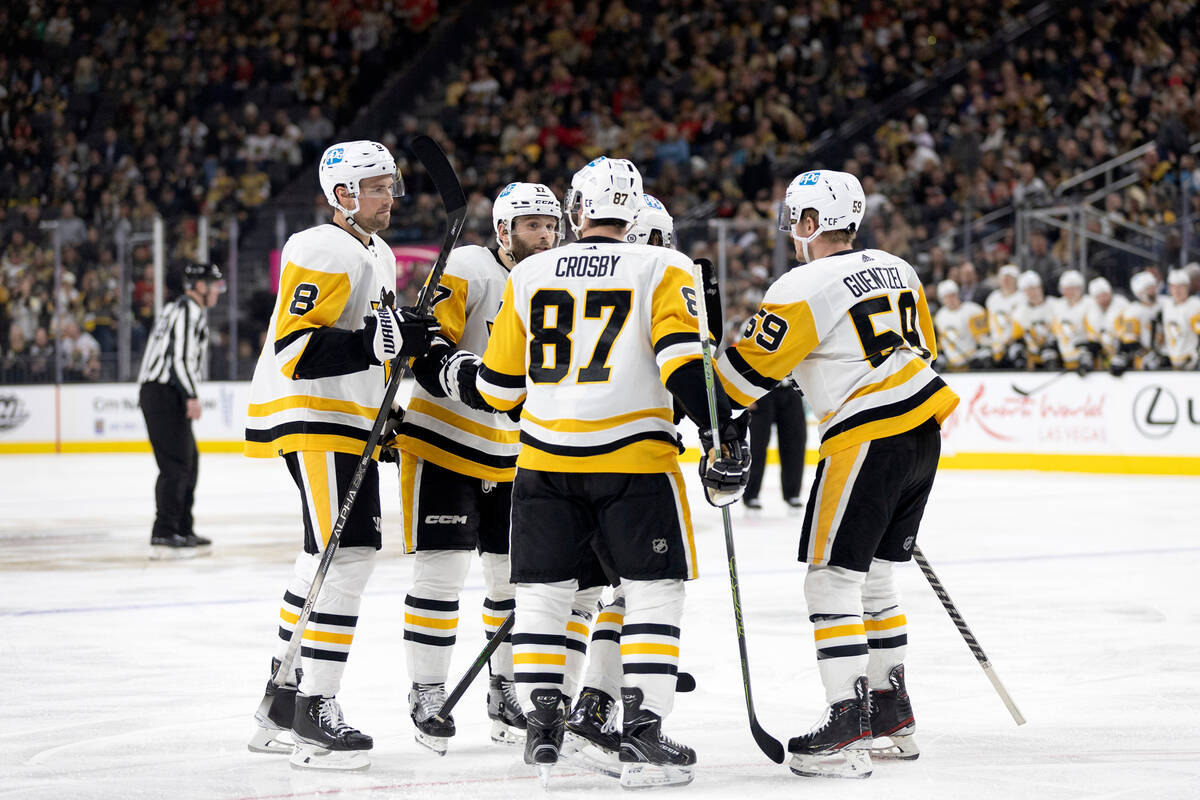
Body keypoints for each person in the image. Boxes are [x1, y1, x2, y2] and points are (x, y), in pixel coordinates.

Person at [474, 156, 748, 789]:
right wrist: (719, 431)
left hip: (543, 461)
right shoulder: (664, 265)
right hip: (635, 460)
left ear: (575, 211)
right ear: (636, 211)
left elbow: (497, 388)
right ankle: (644, 734)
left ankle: (545, 727)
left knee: (545, 595)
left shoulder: (532, 270)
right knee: (653, 593)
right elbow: (684, 366)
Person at [715, 169, 959, 779]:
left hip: (866, 437)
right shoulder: (899, 267)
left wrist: (699, 398)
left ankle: (847, 724)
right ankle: (891, 714)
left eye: (795, 219)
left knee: (830, 584)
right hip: (921, 431)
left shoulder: (801, 283)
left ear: (808, 223)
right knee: (875, 582)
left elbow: (746, 378)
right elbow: (921, 349)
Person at [243, 140, 437, 771]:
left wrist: (391, 367)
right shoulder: (321, 246)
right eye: (376, 185)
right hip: (316, 416)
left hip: (344, 417)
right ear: (342, 194)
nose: (390, 195)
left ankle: (280, 700)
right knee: (348, 554)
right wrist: (379, 343)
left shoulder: (373, 251)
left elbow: (365, 344)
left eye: (390, 184)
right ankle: (313, 712)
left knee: (320, 556)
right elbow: (297, 350)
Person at [394, 182, 562, 753]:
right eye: (532, 225)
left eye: (550, 225)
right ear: (504, 230)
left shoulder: (559, 281)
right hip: (443, 443)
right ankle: (428, 691)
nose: (544, 235)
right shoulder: (467, 264)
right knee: (440, 576)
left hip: (515, 454)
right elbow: (424, 342)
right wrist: (468, 377)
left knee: (511, 579)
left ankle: (504, 689)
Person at [137, 261, 224, 558]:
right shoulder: (190, 310)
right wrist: (190, 395)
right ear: (198, 286)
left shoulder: (176, 308)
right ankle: (165, 530)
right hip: (164, 393)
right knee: (176, 465)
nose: (217, 291)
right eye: (213, 284)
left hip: (160, 392)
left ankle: (182, 527)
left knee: (188, 462)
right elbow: (179, 360)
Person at [742, 379, 808, 512]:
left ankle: (792, 493)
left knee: (795, 444)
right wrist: (745, 395)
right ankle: (751, 495)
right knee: (757, 446)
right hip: (761, 391)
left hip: (790, 389)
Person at [1112, 271, 1163, 374]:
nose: (1153, 291)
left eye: (1153, 287)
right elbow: (1130, 341)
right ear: (1140, 292)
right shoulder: (1133, 311)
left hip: (1163, 356)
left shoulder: (1163, 305)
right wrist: (1146, 355)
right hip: (1143, 363)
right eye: (1149, 288)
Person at [932, 278, 990, 371]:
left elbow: (983, 337)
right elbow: (941, 341)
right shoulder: (939, 316)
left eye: (953, 295)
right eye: (946, 297)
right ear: (941, 299)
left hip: (973, 362)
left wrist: (982, 353)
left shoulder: (973, 309)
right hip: (951, 365)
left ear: (958, 294)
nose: (950, 299)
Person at [1051, 270, 1098, 372]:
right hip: (1066, 359)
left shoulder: (1090, 303)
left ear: (1081, 288)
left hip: (1087, 358)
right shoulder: (1058, 306)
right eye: (1067, 289)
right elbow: (1057, 331)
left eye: (1074, 288)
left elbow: (1094, 332)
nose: (1071, 292)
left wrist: (1089, 349)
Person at [1011, 270, 1059, 370]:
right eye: (1028, 290)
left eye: (1034, 288)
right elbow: (1017, 337)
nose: (1032, 293)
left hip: (1055, 355)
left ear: (1040, 287)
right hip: (1032, 357)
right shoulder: (1019, 313)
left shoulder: (1055, 305)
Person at [986, 264, 1026, 367]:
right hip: (995, 344)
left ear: (1016, 280)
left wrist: (1008, 342)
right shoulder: (992, 298)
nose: (1006, 280)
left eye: (1010, 278)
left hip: (1015, 343)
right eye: (1004, 277)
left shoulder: (1022, 298)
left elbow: (1021, 324)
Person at [1160, 269, 1200, 369]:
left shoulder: (1195, 305)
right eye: (1174, 287)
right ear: (1169, 288)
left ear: (1187, 287)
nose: (1177, 290)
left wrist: (1196, 355)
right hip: (1173, 361)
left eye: (1181, 286)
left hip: (1193, 362)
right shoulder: (1166, 306)